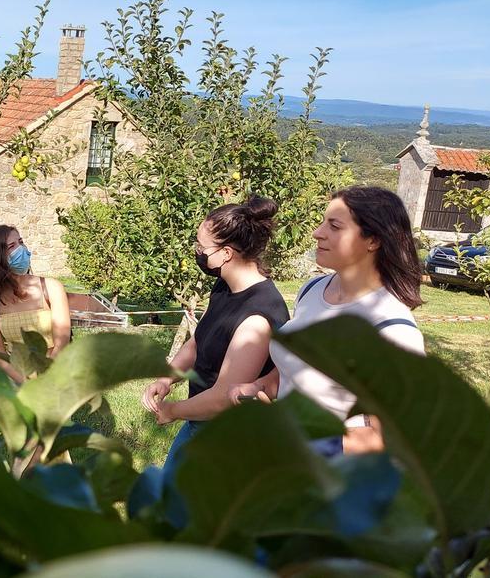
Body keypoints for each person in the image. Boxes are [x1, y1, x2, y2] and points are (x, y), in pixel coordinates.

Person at [230, 186, 425, 456]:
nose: (317, 233)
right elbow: (300, 368)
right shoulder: (312, 290)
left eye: (334, 226)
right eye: (323, 222)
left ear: (373, 240)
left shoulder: (391, 329)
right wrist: (261, 386)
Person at [142, 196, 290, 481]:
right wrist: (167, 378)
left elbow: (224, 398)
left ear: (225, 254)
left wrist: (172, 411)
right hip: (201, 424)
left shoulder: (257, 318)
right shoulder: (225, 286)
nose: (197, 252)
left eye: (201, 247)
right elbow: (199, 342)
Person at [0, 225, 71, 382]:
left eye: (20, 242)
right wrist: (25, 382)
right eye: (12, 246)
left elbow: (62, 340)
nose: (21, 249)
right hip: (16, 381)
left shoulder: (52, 287)